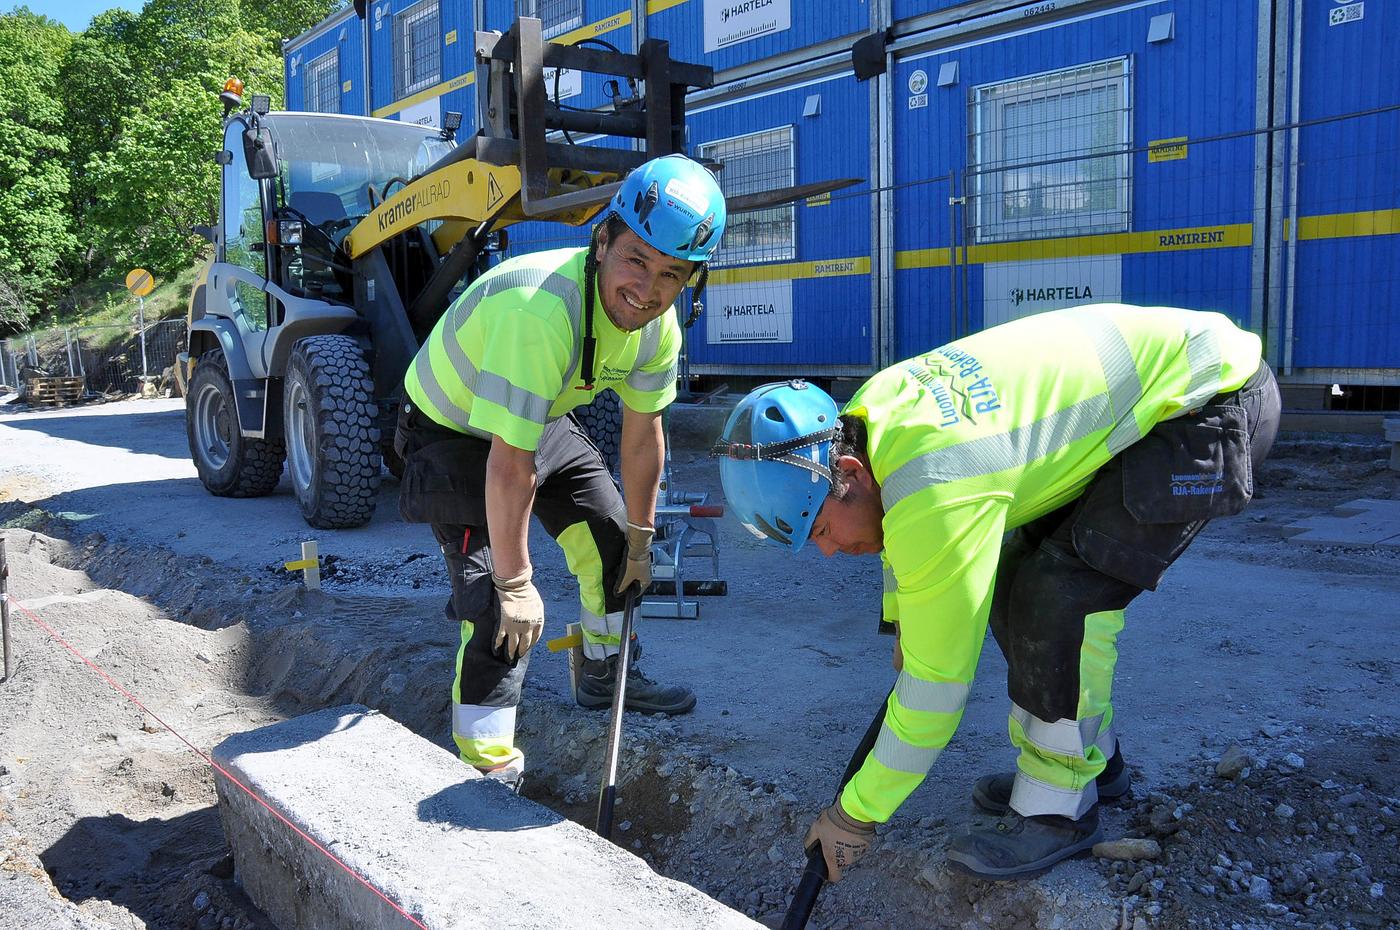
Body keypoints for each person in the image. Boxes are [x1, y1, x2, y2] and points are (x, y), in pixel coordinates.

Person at [713, 304, 1280, 880]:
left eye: (822, 529)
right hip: (1152, 401)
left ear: (850, 471)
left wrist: (855, 815)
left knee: (1059, 599)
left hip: (1206, 403)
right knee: (1012, 570)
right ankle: (1094, 763)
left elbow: (935, 698)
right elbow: (902, 534)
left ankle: (1058, 809)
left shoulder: (936, 485)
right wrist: (904, 621)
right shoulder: (871, 413)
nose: (830, 551)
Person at [395, 154, 727, 784]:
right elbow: (509, 466)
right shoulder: (542, 312)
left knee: (609, 540)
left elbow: (643, 436)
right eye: (637, 260)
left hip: (534, 416)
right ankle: (487, 770)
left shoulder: (657, 328)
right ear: (602, 242)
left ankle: (604, 675)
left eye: (671, 275)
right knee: (499, 603)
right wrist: (518, 582)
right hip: (448, 431)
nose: (649, 289)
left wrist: (642, 537)